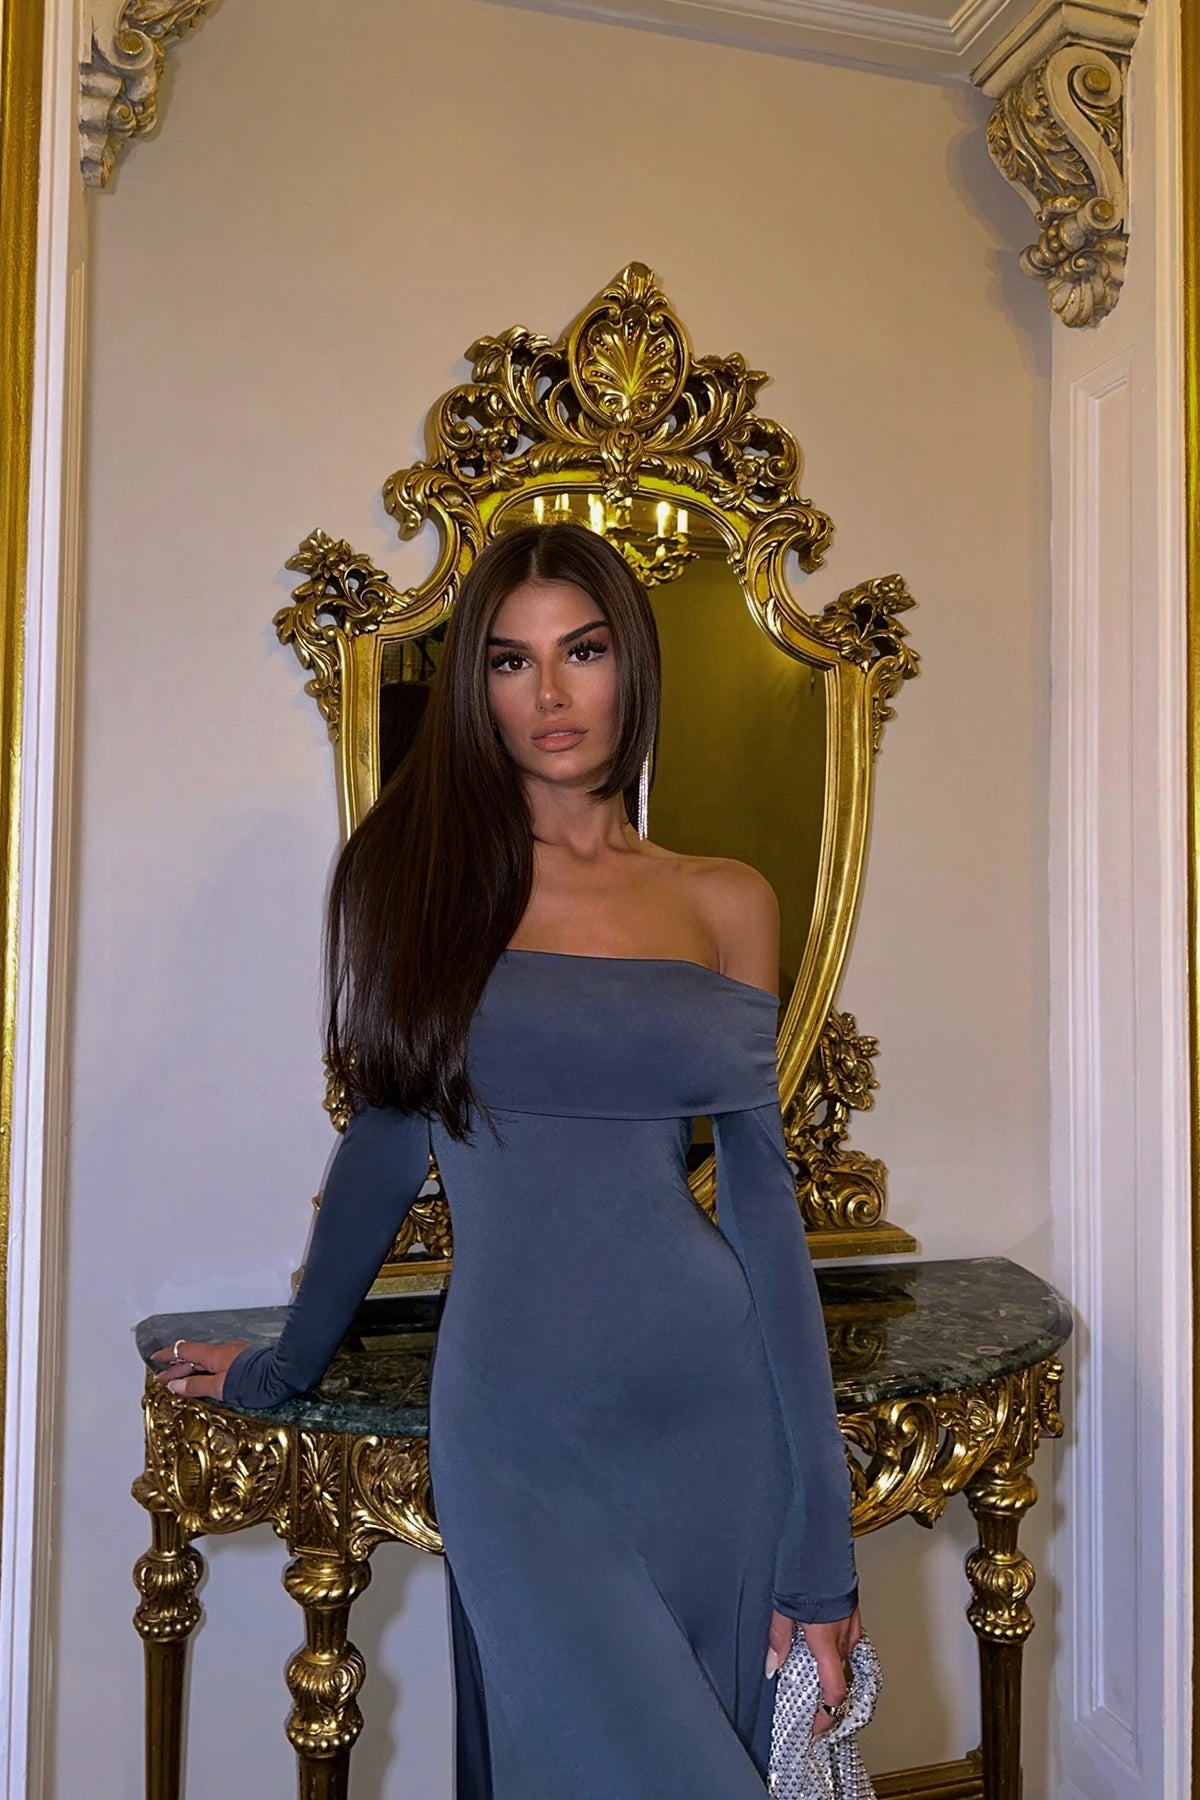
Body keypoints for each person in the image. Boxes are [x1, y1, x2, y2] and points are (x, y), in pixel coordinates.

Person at [153, 522, 862, 1797]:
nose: (550, 694)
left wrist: (824, 1544)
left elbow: (767, 1219)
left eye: (581, 652)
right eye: (508, 660)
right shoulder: (419, 882)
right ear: (476, 687)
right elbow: (382, 1152)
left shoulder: (728, 899)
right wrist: (286, 1362)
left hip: (712, 1419)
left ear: (629, 664)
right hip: (517, 1433)